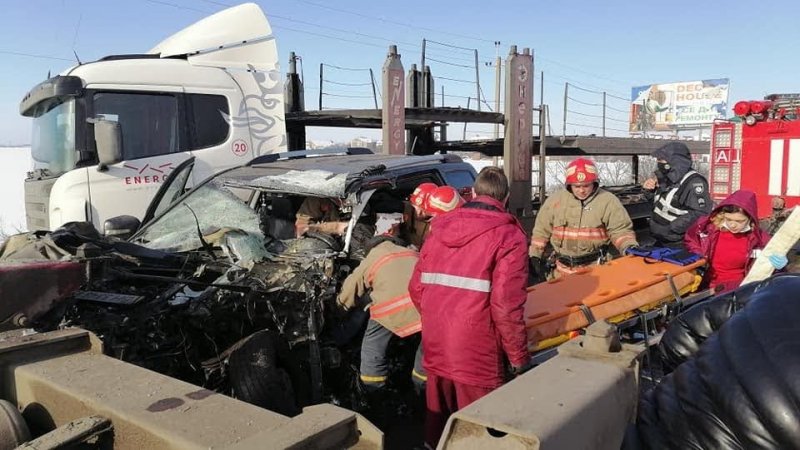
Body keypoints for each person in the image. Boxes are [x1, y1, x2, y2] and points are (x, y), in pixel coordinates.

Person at [409, 166, 531, 449]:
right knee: (479, 429)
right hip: (478, 352)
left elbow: (416, 289)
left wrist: (438, 320)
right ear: (507, 198)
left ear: (473, 193)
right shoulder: (509, 236)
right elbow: (506, 305)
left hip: (437, 342)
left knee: (437, 421)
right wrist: (518, 357)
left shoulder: (438, 230)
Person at [336, 211, 426, 398]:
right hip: (425, 308)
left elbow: (351, 289)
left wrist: (338, 310)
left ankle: (373, 389)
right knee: (426, 348)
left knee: (372, 345)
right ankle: (422, 388)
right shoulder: (411, 251)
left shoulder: (373, 256)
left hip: (392, 310)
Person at [530, 158, 638, 280]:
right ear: (569, 185)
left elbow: (620, 231)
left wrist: (629, 248)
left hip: (597, 270)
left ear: (595, 183)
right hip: (561, 272)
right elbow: (541, 231)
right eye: (577, 186)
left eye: (586, 186)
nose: (581, 190)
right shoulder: (555, 201)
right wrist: (535, 256)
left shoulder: (608, 201)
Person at [684, 189, 786, 293]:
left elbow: (768, 271)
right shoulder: (708, 229)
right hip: (705, 285)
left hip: (739, 288)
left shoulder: (760, 239)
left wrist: (779, 268)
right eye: (729, 219)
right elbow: (690, 240)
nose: (732, 225)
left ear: (750, 218)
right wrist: (699, 256)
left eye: (739, 221)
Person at [643, 142, 712, 249]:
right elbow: (662, 205)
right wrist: (649, 192)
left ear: (674, 161)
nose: (658, 162)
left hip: (680, 242)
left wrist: (672, 228)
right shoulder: (668, 178)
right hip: (661, 239)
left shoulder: (694, 182)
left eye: (661, 160)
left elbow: (701, 213)